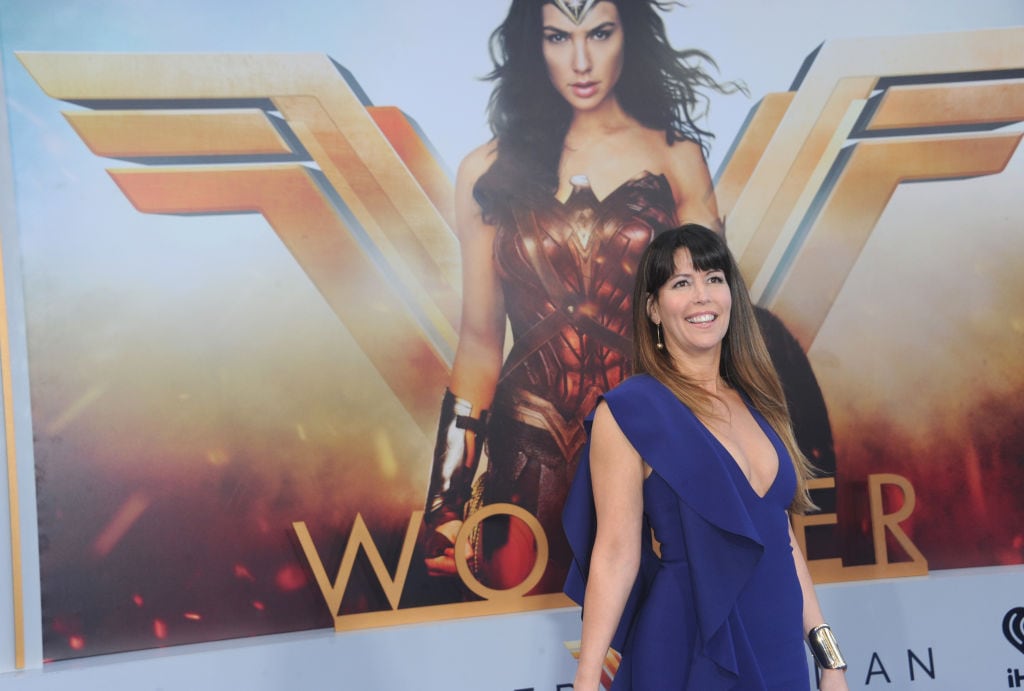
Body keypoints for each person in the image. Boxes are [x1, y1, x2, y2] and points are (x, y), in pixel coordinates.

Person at [422, 0, 834, 594]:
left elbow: (714, 327)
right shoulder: (486, 171)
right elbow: (480, 344)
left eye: (600, 33)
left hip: (651, 440)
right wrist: (444, 504)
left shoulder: (675, 157)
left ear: (628, 35)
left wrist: (744, 458)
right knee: (529, 643)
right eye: (559, 37)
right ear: (532, 45)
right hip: (526, 451)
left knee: (663, 634)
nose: (581, 60)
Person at [563, 224, 849, 690]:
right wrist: (587, 675)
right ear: (653, 309)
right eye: (681, 283)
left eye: (713, 278)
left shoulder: (760, 400)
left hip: (779, 648)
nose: (703, 296)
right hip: (690, 646)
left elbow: (782, 541)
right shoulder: (630, 411)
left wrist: (828, 656)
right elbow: (615, 553)